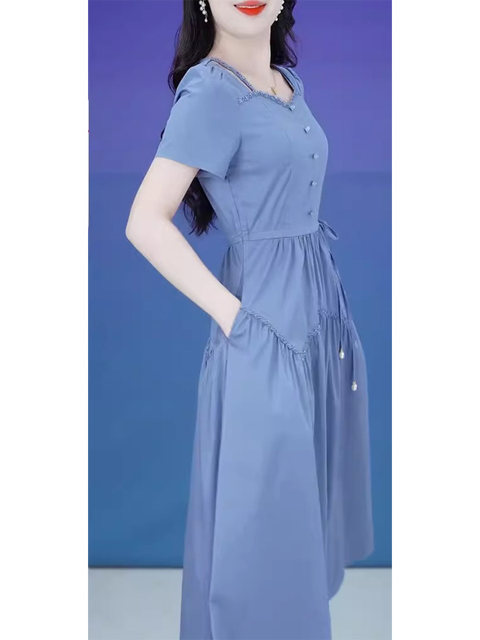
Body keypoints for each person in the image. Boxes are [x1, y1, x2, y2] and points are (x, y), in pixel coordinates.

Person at [126, 1, 374, 638]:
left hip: (317, 326)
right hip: (264, 335)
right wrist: (235, 319)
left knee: (299, 523)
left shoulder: (287, 83)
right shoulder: (211, 92)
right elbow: (145, 221)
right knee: (263, 534)